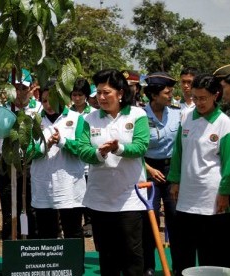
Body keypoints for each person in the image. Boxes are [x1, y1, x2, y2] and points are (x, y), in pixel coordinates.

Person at [77, 69, 150, 275]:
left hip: (130, 198)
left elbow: (141, 146)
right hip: (99, 198)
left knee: (132, 253)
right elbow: (83, 150)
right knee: (107, 255)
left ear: (120, 93)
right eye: (98, 92)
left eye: (106, 92)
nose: (101, 97)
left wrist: (118, 148)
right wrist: (100, 153)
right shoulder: (90, 119)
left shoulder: (138, 115)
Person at [168, 74, 230, 274]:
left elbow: (229, 162)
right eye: (195, 98)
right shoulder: (186, 117)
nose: (199, 103)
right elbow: (178, 151)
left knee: (210, 255)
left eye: (203, 98)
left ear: (215, 95)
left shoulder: (224, 123)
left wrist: (225, 192)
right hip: (186, 197)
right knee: (182, 253)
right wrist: (175, 180)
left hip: (212, 199)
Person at [0, 68, 41, 241]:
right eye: (16, 87)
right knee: (9, 211)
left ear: (31, 88)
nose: (20, 92)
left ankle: (31, 254)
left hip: (31, 164)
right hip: (7, 164)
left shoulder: (38, 108)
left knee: (31, 209)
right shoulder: (2, 110)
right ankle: (11, 258)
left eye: (24, 87)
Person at [30, 83, 86, 253]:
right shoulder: (34, 120)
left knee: (73, 229)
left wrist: (62, 141)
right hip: (42, 182)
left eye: (52, 100)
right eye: (44, 100)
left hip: (70, 182)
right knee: (46, 230)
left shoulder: (77, 119)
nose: (48, 105)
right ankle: (51, 265)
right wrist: (45, 145)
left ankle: (75, 265)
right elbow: (27, 151)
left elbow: (82, 148)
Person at [141, 72, 181, 275]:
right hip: (148, 170)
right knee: (151, 219)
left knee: (175, 217)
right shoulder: (140, 115)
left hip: (172, 170)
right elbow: (135, 148)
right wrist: (149, 169)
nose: (171, 95)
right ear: (154, 95)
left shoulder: (177, 113)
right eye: (167, 92)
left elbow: (181, 146)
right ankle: (149, 266)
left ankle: (179, 266)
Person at [70, 78, 96, 238]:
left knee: (89, 197)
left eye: (80, 95)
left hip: (89, 165)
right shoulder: (66, 113)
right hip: (72, 164)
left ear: (86, 96)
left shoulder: (93, 114)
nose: (77, 98)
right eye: (74, 94)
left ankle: (89, 223)